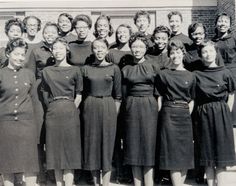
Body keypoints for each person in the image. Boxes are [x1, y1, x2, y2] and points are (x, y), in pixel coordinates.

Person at [41, 37, 82, 186]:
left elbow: (79, 95)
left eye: (61, 48)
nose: (58, 51)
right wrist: (54, 107)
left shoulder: (75, 70)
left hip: (70, 111)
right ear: (51, 51)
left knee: (70, 149)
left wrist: (69, 108)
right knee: (55, 149)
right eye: (55, 48)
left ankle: (69, 183)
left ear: (67, 50)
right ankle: (59, 183)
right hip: (53, 112)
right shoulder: (46, 71)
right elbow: (45, 94)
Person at [195, 40, 236, 186]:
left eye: (211, 51)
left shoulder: (225, 72)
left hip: (222, 113)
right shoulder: (197, 74)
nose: (208, 54)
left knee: (221, 152)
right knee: (207, 153)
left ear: (216, 52)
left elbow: (231, 93)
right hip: (204, 114)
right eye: (205, 51)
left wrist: (226, 110)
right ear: (200, 55)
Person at [82, 38, 121, 186]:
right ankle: (95, 182)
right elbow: (82, 92)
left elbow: (118, 96)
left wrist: (113, 114)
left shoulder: (114, 68)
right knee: (92, 144)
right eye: (96, 48)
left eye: (102, 48)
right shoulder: (86, 69)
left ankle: (105, 182)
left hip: (108, 106)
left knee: (107, 144)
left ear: (107, 50)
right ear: (92, 50)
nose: (99, 51)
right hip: (90, 106)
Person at [155, 39, 195, 186]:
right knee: (172, 153)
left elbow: (192, 99)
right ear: (169, 55)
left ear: (183, 53)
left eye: (178, 52)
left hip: (184, 115)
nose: (175, 55)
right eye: (172, 53)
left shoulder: (191, 75)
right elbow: (159, 97)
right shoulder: (163, 74)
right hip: (168, 114)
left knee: (184, 153)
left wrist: (185, 113)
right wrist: (162, 115)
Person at [121, 33, 159, 186]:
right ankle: (137, 183)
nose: (137, 49)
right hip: (131, 106)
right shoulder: (126, 68)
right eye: (134, 46)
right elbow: (123, 93)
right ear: (130, 48)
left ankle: (148, 182)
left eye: (141, 46)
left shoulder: (153, 66)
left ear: (146, 48)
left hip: (150, 105)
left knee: (148, 143)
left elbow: (159, 90)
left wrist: (158, 108)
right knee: (133, 144)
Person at [0, 38, 39, 186]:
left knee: (29, 163)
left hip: (26, 124)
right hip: (5, 125)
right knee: (7, 163)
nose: (20, 58)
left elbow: (35, 101)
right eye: (16, 54)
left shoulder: (29, 74)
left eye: (22, 55)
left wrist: (36, 126)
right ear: (8, 53)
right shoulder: (1, 74)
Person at [212, 13, 236, 128]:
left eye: (226, 21)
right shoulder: (213, 41)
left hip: (233, 71)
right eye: (220, 21)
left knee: (233, 96)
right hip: (218, 72)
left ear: (230, 25)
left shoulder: (234, 39)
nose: (222, 24)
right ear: (216, 24)